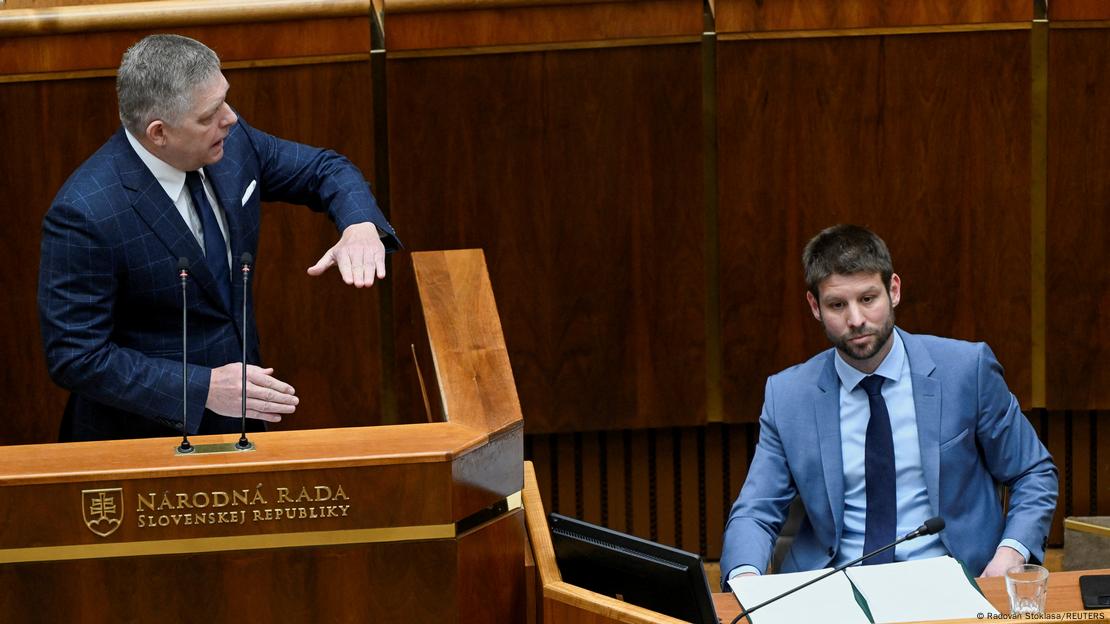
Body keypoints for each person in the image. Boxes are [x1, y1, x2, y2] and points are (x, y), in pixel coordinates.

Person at [38, 34, 401, 441]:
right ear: (159, 133)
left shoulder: (232, 141)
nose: (229, 118)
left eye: (225, 100)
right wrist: (203, 389)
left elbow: (324, 169)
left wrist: (359, 225)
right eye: (210, 114)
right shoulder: (86, 213)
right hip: (142, 442)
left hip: (241, 422)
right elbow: (76, 357)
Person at [720, 224, 1057, 585]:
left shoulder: (965, 371)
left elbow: (1032, 472)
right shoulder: (788, 396)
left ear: (893, 290)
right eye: (837, 305)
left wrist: (1010, 553)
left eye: (868, 299)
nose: (856, 320)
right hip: (830, 587)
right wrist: (744, 582)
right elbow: (755, 511)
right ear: (814, 306)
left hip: (952, 581)